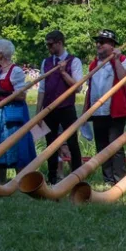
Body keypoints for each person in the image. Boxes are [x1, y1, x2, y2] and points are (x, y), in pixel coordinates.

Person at [0, 39, 36, 184]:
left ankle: (20, 181)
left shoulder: (15, 71)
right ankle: (1, 180)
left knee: (16, 145)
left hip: (12, 113)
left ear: (3, 54)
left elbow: (21, 95)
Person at [82, 29, 126, 185]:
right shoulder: (93, 64)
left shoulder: (124, 60)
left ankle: (120, 179)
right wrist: (85, 110)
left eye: (102, 42)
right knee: (102, 146)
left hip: (115, 112)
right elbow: (90, 89)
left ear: (112, 45)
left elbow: (124, 81)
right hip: (97, 111)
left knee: (115, 146)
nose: (98, 45)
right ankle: (107, 179)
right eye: (97, 42)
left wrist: (116, 60)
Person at [37, 29, 84, 184]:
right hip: (49, 109)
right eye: (47, 45)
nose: (49, 48)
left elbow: (78, 87)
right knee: (50, 144)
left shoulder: (74, 61)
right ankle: (52, 177)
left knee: (72, 143)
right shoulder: (46, 62)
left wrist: (64, 73)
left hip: (66, 108)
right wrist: (38, 112)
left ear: (59, 43)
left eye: (51, 45)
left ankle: (77, 176)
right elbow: (42, 88)